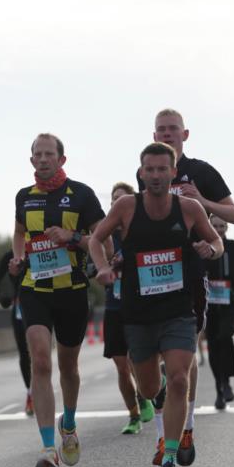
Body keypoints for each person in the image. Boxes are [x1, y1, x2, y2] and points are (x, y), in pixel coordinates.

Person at [90, 141, 223, 467]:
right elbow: (96, 238)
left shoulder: (190, 208)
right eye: (149, 169)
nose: (156, 175)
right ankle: (157, 387)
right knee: (149, 389)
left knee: (181, 379)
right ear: (141, 173)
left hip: (178, 308)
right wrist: (103, 267)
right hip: (138, 312)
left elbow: (218, 242)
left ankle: (168, 459)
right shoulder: (126, 207)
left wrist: (211, 247)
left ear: (173, 172)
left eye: (163, 169)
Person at [137, 109, 234, 467]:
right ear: (154, 134)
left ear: (185, 134)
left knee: (183, 356)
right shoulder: (149, 171)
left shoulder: (201, 172)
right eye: (161, 130)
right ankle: (171, 428)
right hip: (150, 275)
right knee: (156, 365)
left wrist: (202, 202)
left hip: (191, 273)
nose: (167, 135)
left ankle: (183, 429)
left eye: (173, 130)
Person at [9, 134, 105, 467]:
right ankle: (48, 448)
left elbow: (101, 237)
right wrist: (18, 258)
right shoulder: (24, 197)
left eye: (49, 154)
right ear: (31, 159)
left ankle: (69, 423)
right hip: (34, 287)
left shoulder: (81, 194)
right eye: (38, 154)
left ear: (62, 159)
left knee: (67, 365)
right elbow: (19, 233)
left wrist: (73, 238)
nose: (43, 159)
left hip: (73, 289)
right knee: (39, 359)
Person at [102, 181, 156, 434]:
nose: (117, 203)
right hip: (113, 306)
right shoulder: (104, 234)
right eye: (113, 199)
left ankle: (147, 394)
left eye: (122, 199)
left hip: (139, 305)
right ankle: (134, 415)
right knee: (121, 366)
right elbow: (93, 266)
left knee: (138, 359)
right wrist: (105, 267)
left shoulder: (141, 230)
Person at [205, 217, 234, 409]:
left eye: (221, 226)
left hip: (230, 301)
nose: (218, 229)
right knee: (214, 344)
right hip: (209, 303)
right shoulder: (203, 247)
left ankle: (227, 381)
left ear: (227, 228)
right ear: (208, 226)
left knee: (225, 336)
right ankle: (220, 389)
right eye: (214, 226)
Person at [0, 249, 32, 414]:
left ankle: (41, 389)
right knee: (24, 353)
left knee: (40, 353)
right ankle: (31, 394)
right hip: (20, 307)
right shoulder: (10, 255)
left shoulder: (40, 247)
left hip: (43, 304)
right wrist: (1, 298)